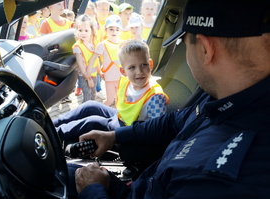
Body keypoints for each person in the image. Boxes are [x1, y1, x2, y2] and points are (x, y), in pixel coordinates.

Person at [68, 0, 270, 198]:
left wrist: (92, 190)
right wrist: (114, 136)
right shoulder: (221, 97)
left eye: (183, 42)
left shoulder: (214, 183)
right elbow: (174, 121)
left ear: (205, 49)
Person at [54, 39, 169, 142]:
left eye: (144, 65)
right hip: (121, 118)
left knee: (93, 121)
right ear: (123, 71)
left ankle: (54, 135)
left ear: (150, 64)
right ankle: (51, 124)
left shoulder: (155, 97)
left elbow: (156, 132)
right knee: (91, 106)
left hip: (129, 131)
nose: (139, 71)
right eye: (132, 67)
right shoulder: (126, 81)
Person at [87, 15, 122, 106]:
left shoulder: (123, 43)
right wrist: (91, 72)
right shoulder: (102, 44)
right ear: (106, 30)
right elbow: (94, 59)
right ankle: (97, 113)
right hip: (109, 77)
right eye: (111, 29)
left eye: (117, 29)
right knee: (109, 101)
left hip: (122, 78)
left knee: (119, 101)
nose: (114, 32)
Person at [72, 14, 99, 103]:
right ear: (77, 31)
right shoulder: (78, 46)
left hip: (94, 74)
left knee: (93, 94)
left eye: (86, 30)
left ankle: (92, 111)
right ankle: (86, 113)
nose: (83, 33)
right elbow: (81, 66)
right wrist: (88, 79)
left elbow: (96, 60)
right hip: (85, 76)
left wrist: (100, 72)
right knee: (87, 96)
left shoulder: (93, 44)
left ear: (91, 31)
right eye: (80, 30)